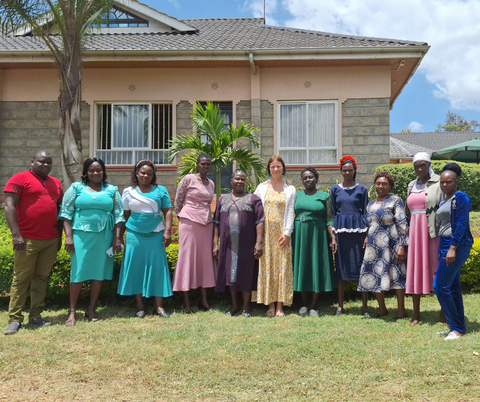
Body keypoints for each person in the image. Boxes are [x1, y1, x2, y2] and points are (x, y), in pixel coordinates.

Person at [3, 151, 63, 335]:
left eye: (49, 162)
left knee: (41, 278)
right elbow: (9, 205)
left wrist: (59, 237)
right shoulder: (19, 179)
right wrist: (16, 235)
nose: (45, 165)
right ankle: (15, 318)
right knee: (21, 278)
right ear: (32, 162)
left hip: (50, 239)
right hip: (26, 239)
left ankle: (36, 315)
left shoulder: (56, 183)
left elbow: (59, 210)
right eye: (42, 162)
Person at [59, 158, 124, 325]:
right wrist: (68, 236)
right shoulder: (76, 188)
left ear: (104, 171)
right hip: (81, 236)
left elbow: (119, 216)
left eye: (99, 170)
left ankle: (91, 308)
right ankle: (72, 312)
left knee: (98, 273)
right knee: (78, 272)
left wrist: (117, 238)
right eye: (92, 170)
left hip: (104, 236)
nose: (96, 173)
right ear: (85, 172)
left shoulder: (112, 190)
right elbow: (65, 213)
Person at [117, 159, 173, 318]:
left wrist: (167, 231)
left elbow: (168, 211)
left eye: (149, 173)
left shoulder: (161, 190)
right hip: (134, 234)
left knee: (157, 268)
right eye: (143, 172)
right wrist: (120, 236)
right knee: (136, 268)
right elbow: (125, 215)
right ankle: (140, 306)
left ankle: (159, 306)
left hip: (156, 234)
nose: (146, 175)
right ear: (136, 173)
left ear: (153, 175)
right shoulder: (128, 191)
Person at [213, 169, 265, 318]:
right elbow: (216, 223)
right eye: (237, 179)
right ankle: (234, 305)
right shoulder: (223, 200)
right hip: (228, 246)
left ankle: (246, 307)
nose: (240, 182)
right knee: (231, 275)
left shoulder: (253, 199)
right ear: (231, 181)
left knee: (246, 275)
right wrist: (215, 244)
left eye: (243, 179)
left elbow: (260, 221)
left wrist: (259, 242)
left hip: (247, 245)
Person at [358, 172, 408, 319]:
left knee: (397, 274)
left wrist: (402, 246)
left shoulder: (395, 200)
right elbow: (369, 224)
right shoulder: (370, 204)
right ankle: (382, 309)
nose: (381, 186)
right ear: (374, 185)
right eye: (378, 183)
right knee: (375, 273)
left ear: (390, 186)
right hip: (374, 246)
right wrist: (367, 237)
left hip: (392, 244)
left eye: (384, 184)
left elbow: (402, 224)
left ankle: (401, 310)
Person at [252, 155, 296, 317]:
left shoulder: (290, 189)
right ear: (269, 169)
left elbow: (291, 211)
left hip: (281, 235)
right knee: (267, 267)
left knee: (282, 268)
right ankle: (269, 304)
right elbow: (255, 209)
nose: (276, 169)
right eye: (273, 167)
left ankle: (280, 306)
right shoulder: (261, 188)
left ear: (283, 168)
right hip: (265, 235)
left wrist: (287, 233)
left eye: (278, 166)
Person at [434, 163, 473, 340]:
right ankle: (456, 326)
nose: (444, 185)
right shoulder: (445, 200)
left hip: (456, 245)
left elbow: (461, 224)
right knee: (453, 288)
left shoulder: (461, 198)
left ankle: (456, 328)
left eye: (448, 182)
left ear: (456, 182)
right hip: (444, 244)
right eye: (442, 182)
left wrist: (452, 248)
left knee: (440, 286)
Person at [173, 154, 216, 313]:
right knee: (187, 259)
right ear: (197, 164)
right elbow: (178, 201)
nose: (206, 166)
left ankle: (203, 300)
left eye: (208, 164)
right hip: (189, 222)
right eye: (203, 163)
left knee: (204, 260)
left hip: (206, 224)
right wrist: (183, 219)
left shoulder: (211, 183)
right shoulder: (188, 179)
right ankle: (186, 302)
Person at [405, 152, 444, 326]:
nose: (419, 169)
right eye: (416, 166)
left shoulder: (439, 182)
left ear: (429, 164)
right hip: (415, 233)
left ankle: (444, 314)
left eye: (423, 165)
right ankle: (416, 315)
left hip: (433, 233)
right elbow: (408, 212)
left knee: (438, 271)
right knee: (415, 270)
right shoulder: (411, 185)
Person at [293, 167, 336, 316]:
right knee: (302, 265)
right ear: (302, 180)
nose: (308, 180)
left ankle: (313, 305)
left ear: (316, 179)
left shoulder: (324, 196)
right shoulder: (296, 195)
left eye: (311, 177)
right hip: (300, 234)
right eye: (305, 178)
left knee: (316, 265)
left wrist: (333, 237)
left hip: (318, 234)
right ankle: (303, 303)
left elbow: (329, 219)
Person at [330, 156, 369, 316]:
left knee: (362, 269)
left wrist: (367, 236)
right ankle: (340, 306)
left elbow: (366, 212)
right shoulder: (335, 189)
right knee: (341, 270)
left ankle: (365, 307)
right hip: (341, 233)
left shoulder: (362, 189)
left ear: (354, 171)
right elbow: (333, 213)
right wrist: (333, 237)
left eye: (350, 170)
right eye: (344, 170)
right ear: (341, 171)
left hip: (358, 233)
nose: (347, 172)